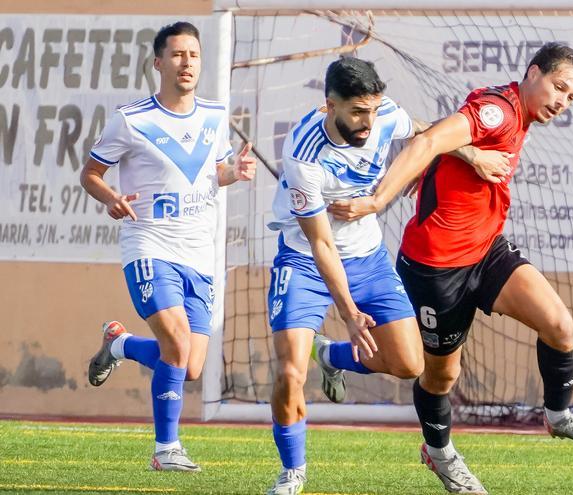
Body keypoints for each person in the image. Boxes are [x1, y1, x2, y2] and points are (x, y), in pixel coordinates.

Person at [329, 42, 573, 494]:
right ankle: (437, 451)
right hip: (436, 269)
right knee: (437, 375)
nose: (561, 102)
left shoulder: (514, 112)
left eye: (571, 97)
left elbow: (447, 138)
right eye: (558, 87)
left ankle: (558, 415)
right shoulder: (499, 112)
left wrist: (461, 157)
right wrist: (377, 200)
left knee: (560, 325)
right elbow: (427, 139)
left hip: (486, 251)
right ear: (533, 73)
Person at [264, 56, 511, 495]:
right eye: (358, 112)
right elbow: (322, 244)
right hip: (305, 261)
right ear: (329, 106)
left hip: (368, 259)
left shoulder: (383, 116)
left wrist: (470, 154)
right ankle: (292, 474)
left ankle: (332, 356)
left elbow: (421, 131)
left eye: (373, 110)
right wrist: (349, 312)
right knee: (288, 372)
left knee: (409, 363)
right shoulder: (304, 155)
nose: (368, 122)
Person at [81, 21, 256, 472]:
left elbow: (214, 173)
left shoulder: (215, 116)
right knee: (176, 343)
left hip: (200, 255)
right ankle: (166, 450)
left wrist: (233, 172)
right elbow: (91, 174)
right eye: (177, 55)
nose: (186, 63)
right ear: (158, 62)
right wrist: (112, 199)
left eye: (193, 55)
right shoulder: (132, 119)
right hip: (150, 245)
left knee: (190, 366)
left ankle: (118, 346)